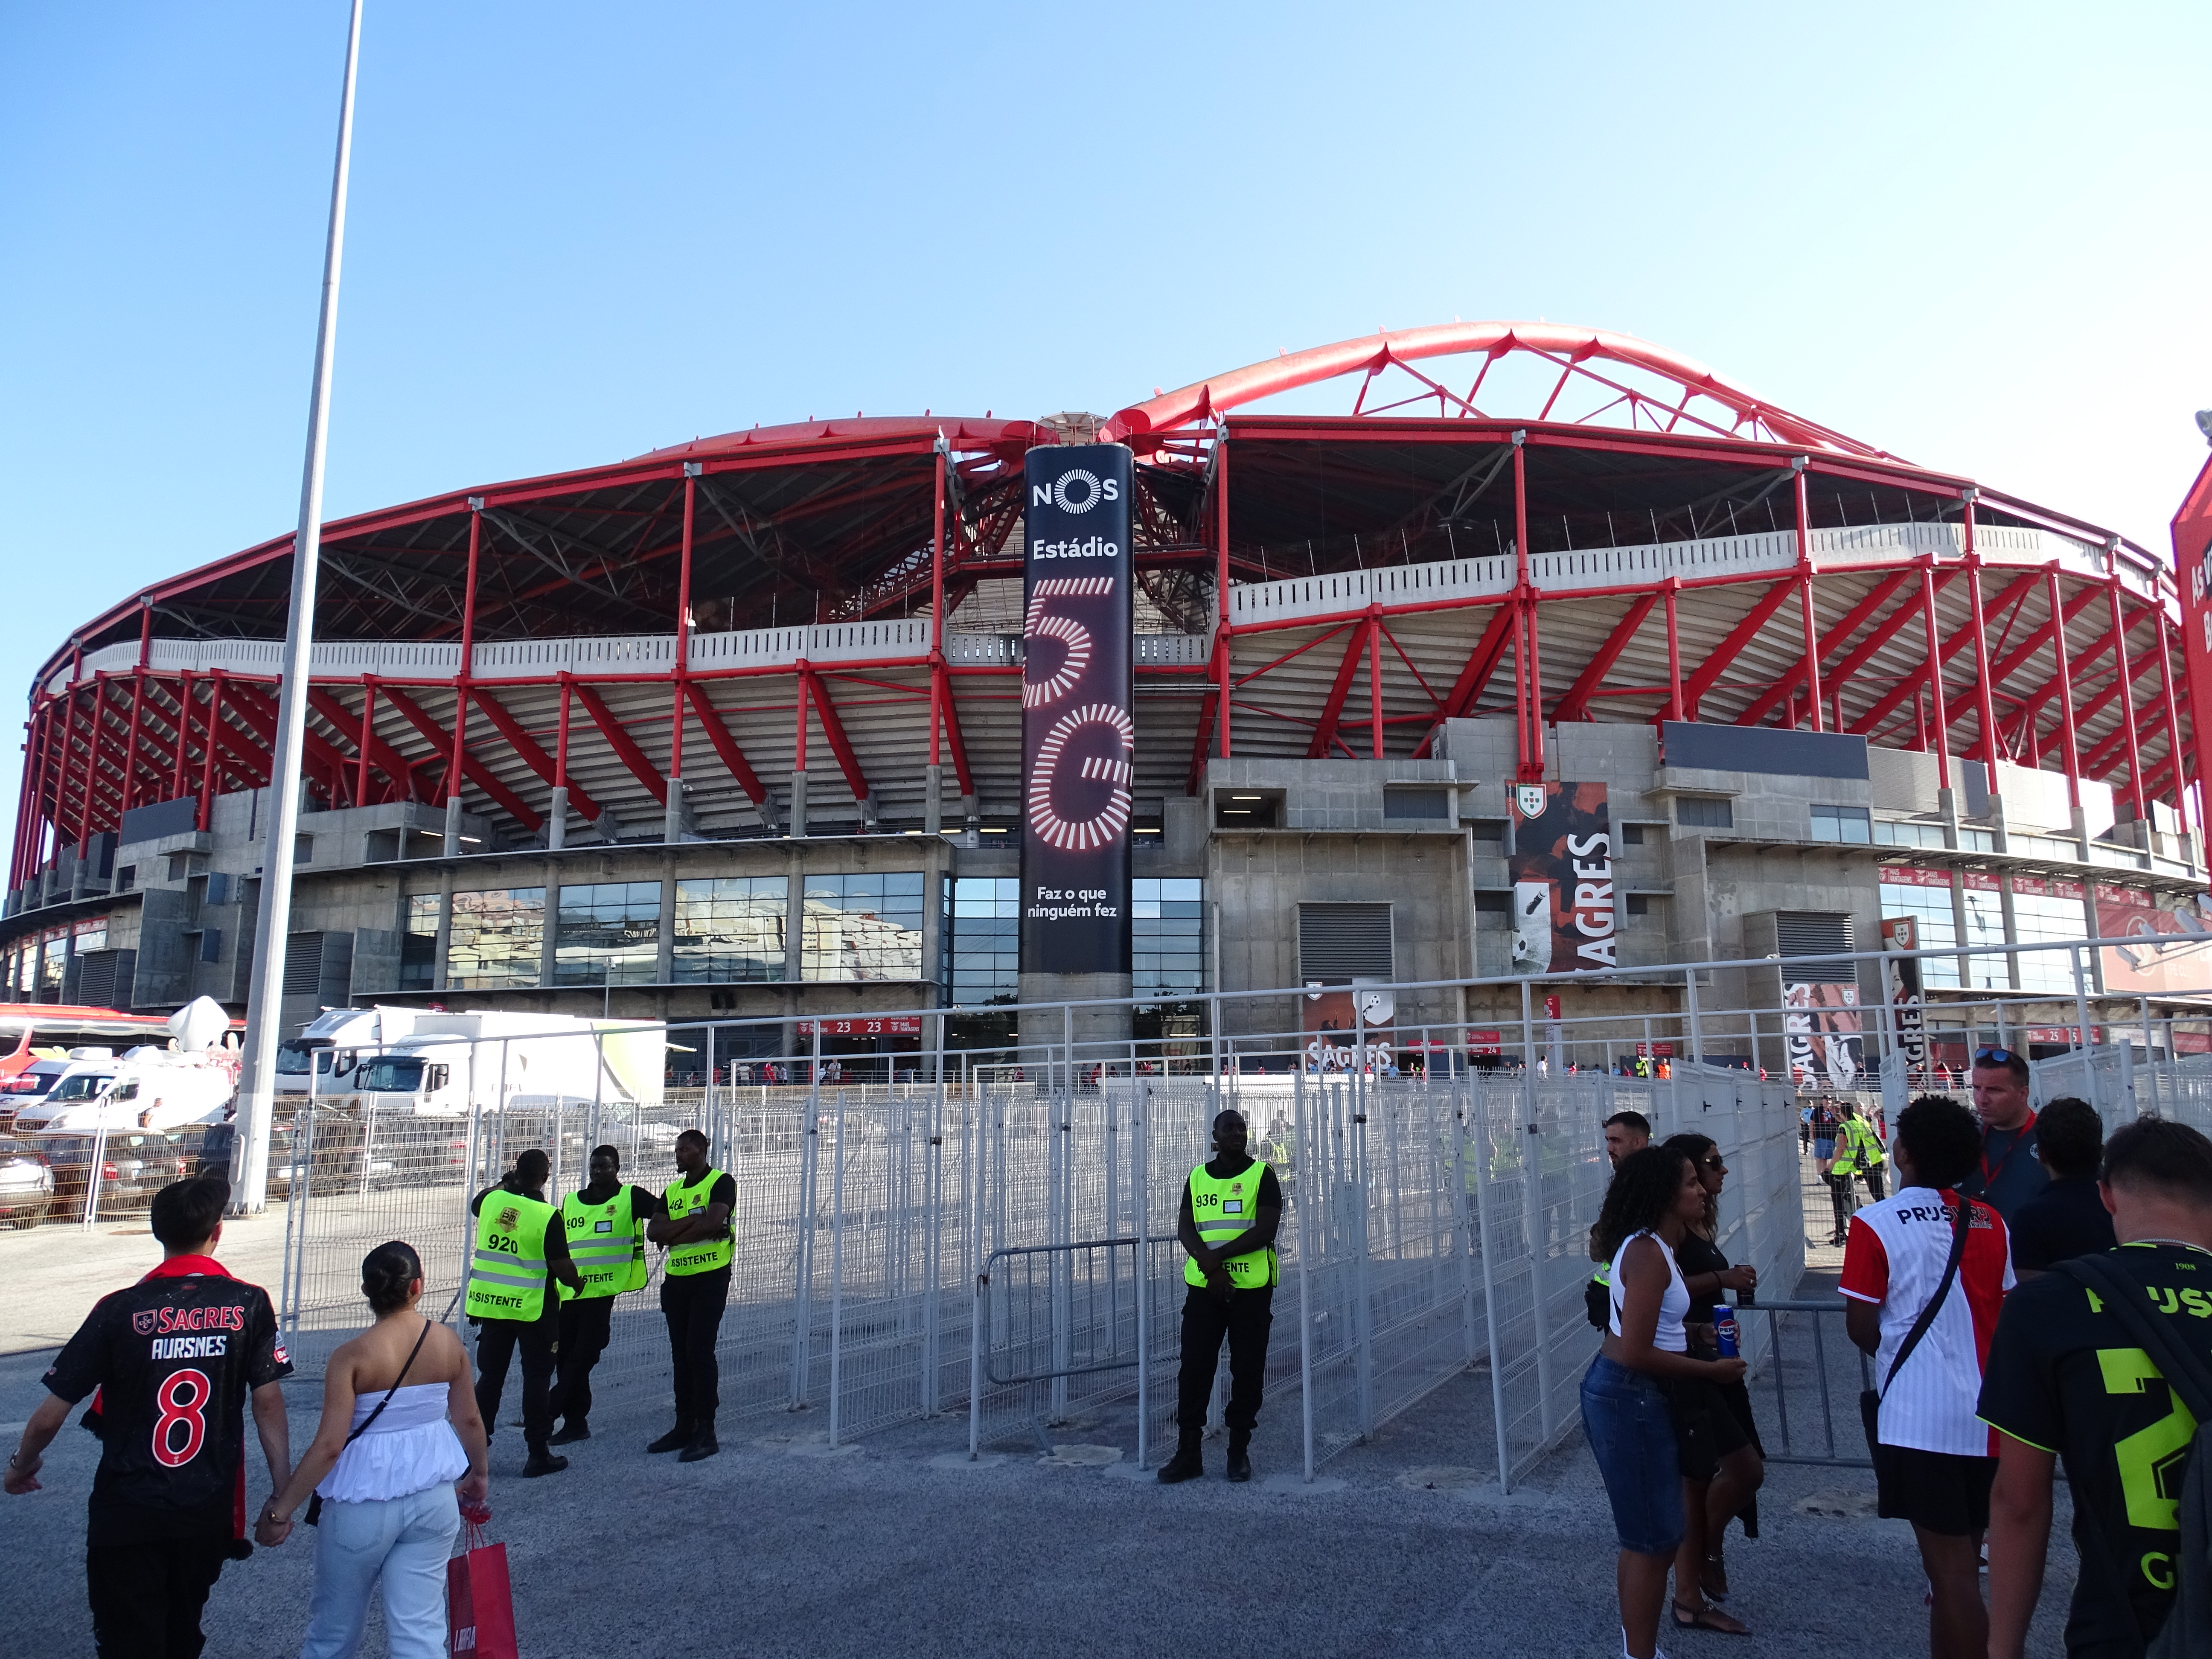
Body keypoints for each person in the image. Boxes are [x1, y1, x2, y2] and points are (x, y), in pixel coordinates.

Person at [4, 1175, 293, 1658]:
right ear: (217, 1232)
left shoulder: (120, 1308)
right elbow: (268, 1404)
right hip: (206, 1506)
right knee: (183, 1632)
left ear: (158, 1233)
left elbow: (51, 1415)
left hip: (129, 1508)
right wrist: (281, 1495)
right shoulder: (249, 1303)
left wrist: (21, 1464)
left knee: (129, 1642)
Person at [1982, 1115, 2212, 1658]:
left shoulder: (2046, 1306)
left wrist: (2004, 1649)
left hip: (2125, 1626)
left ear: (2106, 1196)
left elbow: (2019, 1503)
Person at [1839, 1094, 2014, 1659]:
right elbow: (2004, 1313)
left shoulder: (1874, 1223)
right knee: (1961, 1565)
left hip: (1918, 1420)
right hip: (1990, 1417)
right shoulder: (1991, 1220)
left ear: (1902, 1152)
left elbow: (1863, 1327)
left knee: (1951, 1577)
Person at [256, 1241, 488, 1659]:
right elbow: (469, 1420)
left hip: (361, 1503)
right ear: (417, 1286)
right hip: (434, 1499)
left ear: (367, 1291)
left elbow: (329, 1446)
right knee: (420, 1628)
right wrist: (480, 1474)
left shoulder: (351, 1357)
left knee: (334, 1632)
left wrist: (281, 1509)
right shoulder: (449, 1344)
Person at [1582, 1146, 1749, 1659]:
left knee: (1649, 1538)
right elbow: (1634, 1350)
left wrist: (1694, 1332)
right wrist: (1710, 1370)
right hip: (1628, 1396)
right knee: (1652, 1541)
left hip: (1631, 1393)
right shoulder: (1649, 1252)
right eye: (1689, 1183)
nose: (1701, 1189)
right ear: (1662, 1195)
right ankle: (1640, 1653)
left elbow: (1648, 1327)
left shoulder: (1652, 1245)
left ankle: (1639, 1650)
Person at [1659, 1133, 1764, 1621]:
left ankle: (1692, 1583)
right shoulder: (1667, 1231)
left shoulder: (1699, 1223)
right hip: (1690, 1366)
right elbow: (1662, 1290)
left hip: (1711, 1357)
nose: (1721, 1171)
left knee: (1715, 1474)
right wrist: (1722, 1280)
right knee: (1736, 1470)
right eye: (1712, 1163)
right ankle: (1701, 1559)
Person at [1157, 1108, 1281, 1484]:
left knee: (1247, 1372)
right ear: (1215, 1136)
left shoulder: (1263, 1175)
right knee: (1194, 1371)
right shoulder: (1197, 1177)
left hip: (1250, 1293)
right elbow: (1186, 1229)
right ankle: (1189, 1452)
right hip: (1204, 1292)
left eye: (1242, 1128)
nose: (1238, 1134)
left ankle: (1238, 1451)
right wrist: (1210, 1270)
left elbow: (1266, 1230)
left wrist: (1217, 1260)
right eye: (1230, 1129)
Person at [466, 1149, 582, 1478]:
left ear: (515, 1174)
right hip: (534, 1310)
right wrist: (578, 1284)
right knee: (537, 1379)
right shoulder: (547, 1215)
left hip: (493, 1306)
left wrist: (506, 1181)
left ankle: (474, 1451)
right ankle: (537, 1453)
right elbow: (561, 1267)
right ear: (547, 1177)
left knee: (490, 1379)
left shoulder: (491, 1203)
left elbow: (480, 1200)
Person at [549, 1144, 659, 1445]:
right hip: (571, 1293)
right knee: (567, 1359)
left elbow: (662, 1210)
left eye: (605, 1167)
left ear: (617, 1169)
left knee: (585, 1355)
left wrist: (665, 1233)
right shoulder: (572, 1201)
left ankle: (552, 1407)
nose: (598, 1172)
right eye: (594, 1166)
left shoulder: (630, 1196)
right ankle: (575, 1423)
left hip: (602, 1291)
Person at [644, 1127, 735, 1462]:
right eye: (677, 1149)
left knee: (699, 1350)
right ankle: (684, 1424)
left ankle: (707, 1429)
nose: (678, 1154)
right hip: (678, 1279)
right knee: (680, 1354)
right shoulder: (672, 1191)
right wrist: (691, 1221)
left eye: (684, 1150)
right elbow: (654, 1230)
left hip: (710, 1277)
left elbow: (714, 1224)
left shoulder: (721, 1183)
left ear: (701, 1151)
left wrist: (675, 1233)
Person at [2004, 1095, 2117, 1279]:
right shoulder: (2124, 1205)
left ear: (2041, 1155)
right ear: (2101, 1149)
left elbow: (2030, 1292)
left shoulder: (2030, 1219)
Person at [1960, 1045, 2046, 1223]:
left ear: (2023, 1094)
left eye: (1994, 1090)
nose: (1982, 1100)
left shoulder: (2050, 1138)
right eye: (1977, 1088)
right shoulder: (1963, 1137)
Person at [1587, 1112, 1656, 1328]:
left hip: (1636, 1302)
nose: (1609, 1148)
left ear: (1638, 1142)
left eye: (1616, 1141)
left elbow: (1599, 1249)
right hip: (1620, 1297)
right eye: (1608, 1141)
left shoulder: (1648, 1186)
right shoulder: (1627, 1180)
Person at [1823, 1102, 1863, 1246]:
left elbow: (1840, 1150)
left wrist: (1829, 1167)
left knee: (1838, 1203)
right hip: (1850, 1166)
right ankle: (1844, 1229)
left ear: (1843, 1113)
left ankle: (1840, 1233)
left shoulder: (1844, 1128)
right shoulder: (1856, 1125)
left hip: (1839, 1168)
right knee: (1847, 1198)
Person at [1845, 1103, 1889, 1203]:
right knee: (1878, 1193)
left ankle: (1882, 1210)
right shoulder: (1861, 1122)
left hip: (1870, 1162)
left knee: (1877, 1193)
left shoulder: (1855, 1124)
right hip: (1873, 1161)